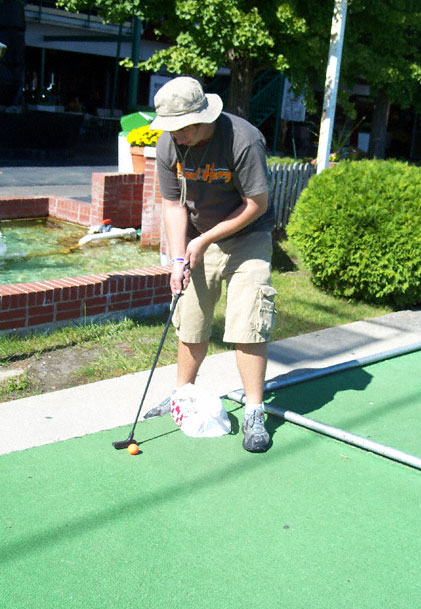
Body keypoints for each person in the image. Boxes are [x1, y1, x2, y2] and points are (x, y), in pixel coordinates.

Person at [148, 76, 278, 452]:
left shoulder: (243, 140)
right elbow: (173, 205)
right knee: (191, 317)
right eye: (169, 129)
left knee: (248, 321)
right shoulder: (167, 144)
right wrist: (178, 257)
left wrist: (205, 239)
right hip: (198, 237)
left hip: (246, 236)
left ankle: (255, 411)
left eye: (181, 128)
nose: (175, 136)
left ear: (202, 118)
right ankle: (182, 396)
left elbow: (257, 204)